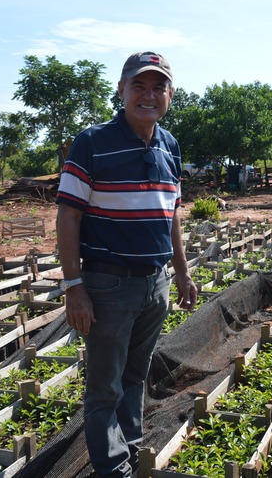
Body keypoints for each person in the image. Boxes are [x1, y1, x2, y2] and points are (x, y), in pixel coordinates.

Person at [56, 51, 198, 477]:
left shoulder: (169, 144)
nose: (149, 95)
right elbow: (68, 214)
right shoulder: (93, 142)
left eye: (159, 87)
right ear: (121, 91)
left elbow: (170, 213)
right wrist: (73, 286)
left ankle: (130, 454)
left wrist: (183, 271)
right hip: (108, 285)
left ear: (170, 95)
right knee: (104, 389)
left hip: (155, 284)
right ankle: (112, 469)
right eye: (139, 86)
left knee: (136, 378)